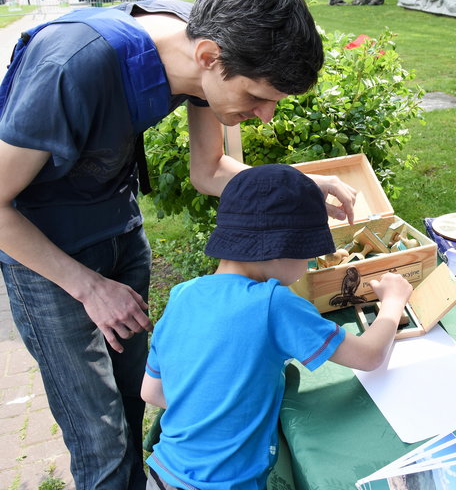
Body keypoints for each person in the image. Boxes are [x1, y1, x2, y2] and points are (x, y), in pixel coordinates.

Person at [0, 0, 356, 489]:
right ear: (210, 57)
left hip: (117, 230)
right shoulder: (72, 65)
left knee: (129, 402)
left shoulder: (200, 52)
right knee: (99, 439)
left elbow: (209, 171)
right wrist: (90, 287)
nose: (265, 115)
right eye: (258, 97)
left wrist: (301, 186)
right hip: (45, 257)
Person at [141, 164, 412, 490]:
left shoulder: (182, 295)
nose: (309, 264)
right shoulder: (274, 303)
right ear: (281, 250)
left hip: (161, 473)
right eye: (308, 256)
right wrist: (394, 302)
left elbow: (152, 392)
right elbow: (368, 356)